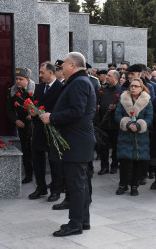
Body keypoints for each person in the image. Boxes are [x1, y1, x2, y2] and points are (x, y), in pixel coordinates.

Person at [39, 52, 96, 237]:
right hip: (77, 140)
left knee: (76, 184)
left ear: (72, 65)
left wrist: (52, 117)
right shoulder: (79, 81)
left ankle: (76, 224)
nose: (61, 67)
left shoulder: (79, 82)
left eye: (63, 64)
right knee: (80, 183)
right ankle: (82, 221)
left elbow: (76, 111)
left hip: (76, 142)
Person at [28, 62, 63, 202]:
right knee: (37, 159)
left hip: (53, 130)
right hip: (39, 129)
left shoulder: (61, 88)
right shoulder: (39, 87)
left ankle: (56, 190)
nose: (40, 75)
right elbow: (36, 103)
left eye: (42, 72)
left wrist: (50, 116)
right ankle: (41, 187)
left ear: (51, 73)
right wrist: (32, 110)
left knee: (55, 162)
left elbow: (62, 109)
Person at [115, 78, 153, 196]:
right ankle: (123, 184)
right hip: (125, 134)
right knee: (125, 162)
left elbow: (149, 117)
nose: (133, 88)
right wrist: (127, 124)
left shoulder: (147, 100)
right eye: (131, 86)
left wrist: (139, 125)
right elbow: (117, 114)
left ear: (141, 88)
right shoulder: (123, 99)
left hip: (140, 136)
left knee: (137, 162)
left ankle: (134, 186)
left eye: (136, 86)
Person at [6, 67, 35, 184]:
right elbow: (9, 110)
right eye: (16, 79)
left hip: (36, 125)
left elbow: (42, 106)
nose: (17, 81)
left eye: (20, 79)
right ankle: (28, 175)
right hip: (23, 125)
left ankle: (39, 173)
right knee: (26, 150)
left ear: (27, 79)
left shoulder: (36, 89)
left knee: (38, 151)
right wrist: (16, 120)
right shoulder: (12, 91)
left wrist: (33, 115)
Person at [98, 70, 121, 175]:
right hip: (103, 124)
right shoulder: (103, 89)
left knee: (116, 147)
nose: (106, 77)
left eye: (109, 76)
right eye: (106, 75)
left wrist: (116, 107)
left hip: (115, 124)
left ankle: (114, 166)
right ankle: (104, 166)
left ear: (115, 78)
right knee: (103, 147)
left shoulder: (121, 90)